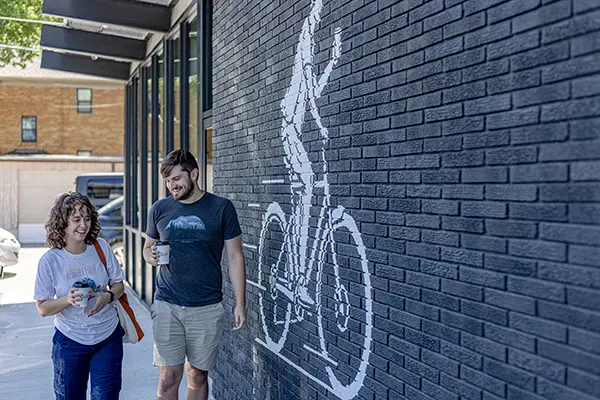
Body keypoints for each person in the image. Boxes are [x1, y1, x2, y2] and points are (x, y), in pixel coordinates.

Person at [143, 149, 246, 400]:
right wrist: (149, 255)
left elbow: (235, 257)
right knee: (168, 378)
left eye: (176, 179)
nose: (171, 186)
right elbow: (147, 248)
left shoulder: (221, 208)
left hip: (207, 306)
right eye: (167, 181)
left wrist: (241, 303)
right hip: (168, 303)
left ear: (195, 173)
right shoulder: (159, 209)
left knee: (197, 375)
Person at [34, 192, 126, 400]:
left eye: (87, 218)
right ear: (62, 223)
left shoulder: (101, 247)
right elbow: (42, 308)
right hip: (70, 342)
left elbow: (119, 285)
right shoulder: (50, 261)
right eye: (76, 219)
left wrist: (108, 297)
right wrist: (68, 299)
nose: (83, 225)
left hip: (107, 337)